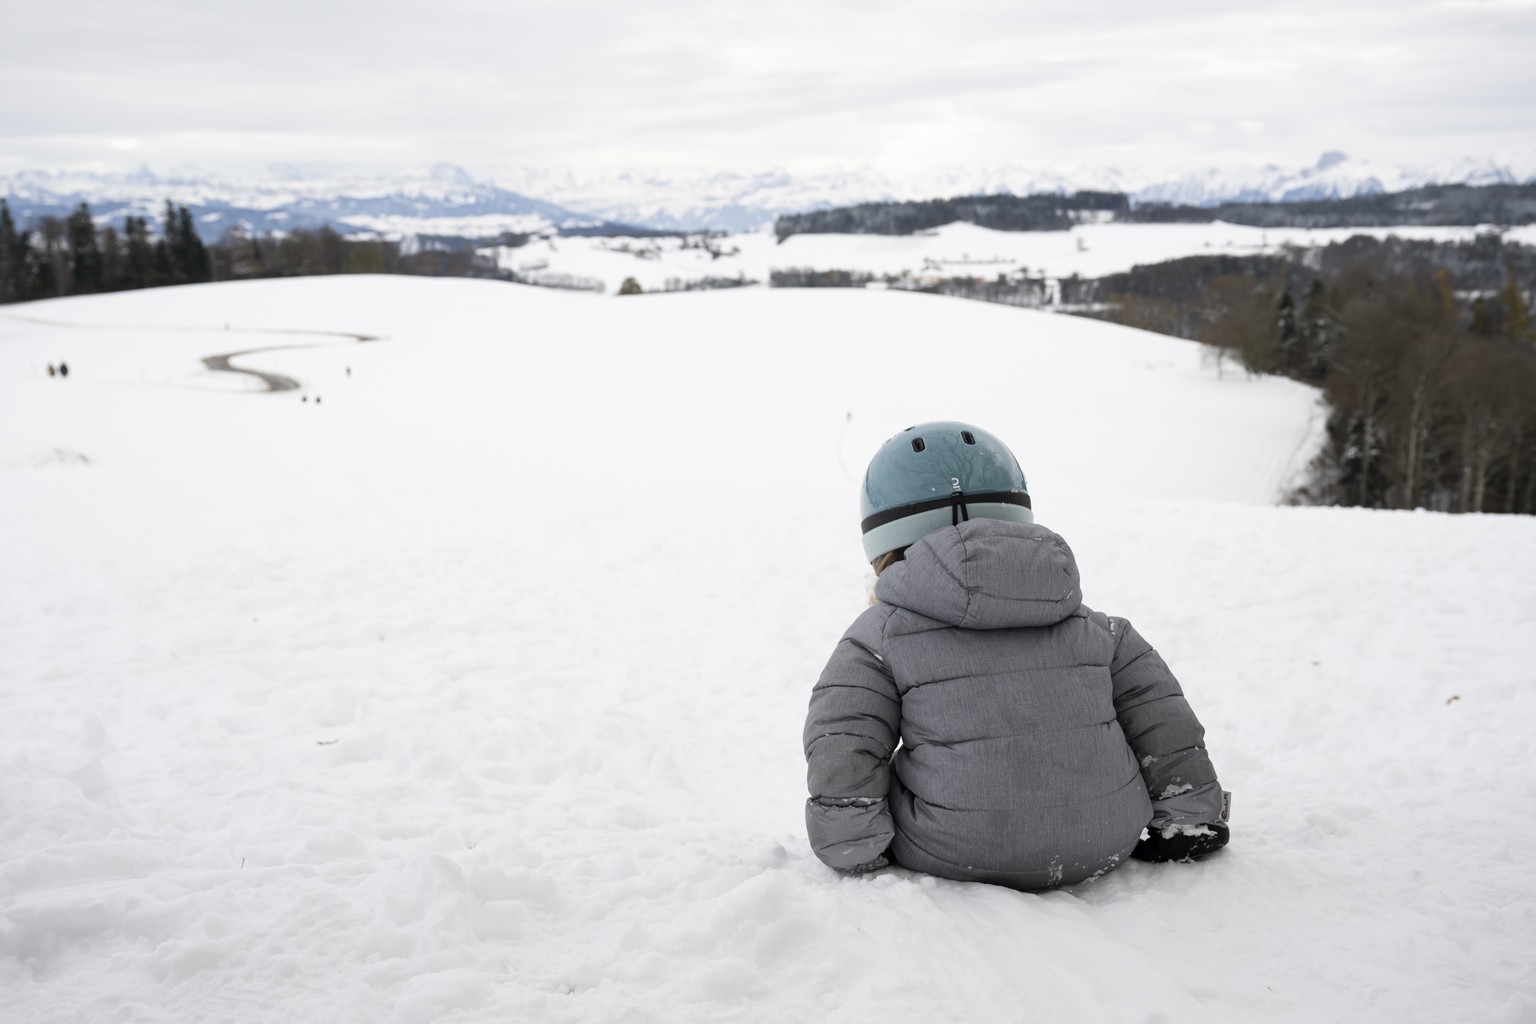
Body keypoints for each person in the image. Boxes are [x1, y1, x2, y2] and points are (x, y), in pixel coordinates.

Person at [803, 421, 1229, 889]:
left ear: (880, 538)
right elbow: (1162, 721)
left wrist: (853, 844)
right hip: (1109, 836)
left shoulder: (879, 637)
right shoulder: (1100, 629)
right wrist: (1189, 820)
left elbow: (845, 738)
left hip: (951, 847)